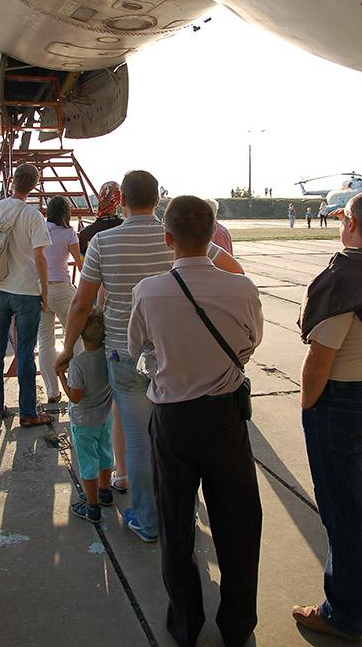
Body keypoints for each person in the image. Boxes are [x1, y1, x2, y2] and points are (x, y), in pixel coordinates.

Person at [55, 170, 245, 545]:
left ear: (122, 199)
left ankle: (145, 518)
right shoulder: (175, 236)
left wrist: (67, 347)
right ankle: (182, 513)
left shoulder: (104, 242)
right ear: (157, 199)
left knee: (139, 438)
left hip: (124, 354)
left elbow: (81, 303)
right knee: (176, 437)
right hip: (173, 352)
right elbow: (234, 272)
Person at [128, 195, 263, 647]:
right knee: (239, 525)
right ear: (213, 238)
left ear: (167, 239)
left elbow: (136, 348)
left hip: (172, 419)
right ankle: (238, 624)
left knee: (176, 525)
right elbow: (250, 345)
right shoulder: (242, 288)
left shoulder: (148, 290)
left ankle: (185, 624)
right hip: (224, 417)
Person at [293, 193, 362, 642]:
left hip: (343, 403)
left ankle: (344, 614)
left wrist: (308, 406)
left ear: (351, 224)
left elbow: (321, 357)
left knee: (344, 511)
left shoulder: (347, 276)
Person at [0, 164, 54, 427]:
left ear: (11, 181)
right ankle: (28, 413)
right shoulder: (33, 215)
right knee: (24, 352)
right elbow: (41, 258)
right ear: (34, 185)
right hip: (26, 292)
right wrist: (45, 290)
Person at [78, 181, 127, 492]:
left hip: (103, 313)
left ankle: (111, 468)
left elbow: (85, 286)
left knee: (105, 385)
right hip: (135, 319)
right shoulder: (128, 228)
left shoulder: (88, 235)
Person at [58, 307, 113, 524]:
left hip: (83, 422)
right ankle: (105, 492)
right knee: (105, 454)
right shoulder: (107, 356)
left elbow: (75, 397)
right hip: (104, 417)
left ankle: (92, 506)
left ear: (81, 333)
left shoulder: (79, 364)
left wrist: (60, 374)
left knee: (88, 463)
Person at [37, 196, 83, 404]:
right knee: (75, 338)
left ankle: (52, 391)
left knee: (45, 341)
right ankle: (76, 383)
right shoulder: (68, 233)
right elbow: (81, 263)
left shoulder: (38, 230)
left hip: (39, 289)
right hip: (62, 289)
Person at [78, 181, 123, 257]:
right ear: (119, 201)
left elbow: (83, 266)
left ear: (100, 198)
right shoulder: (128, 228)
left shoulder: (85, 234)